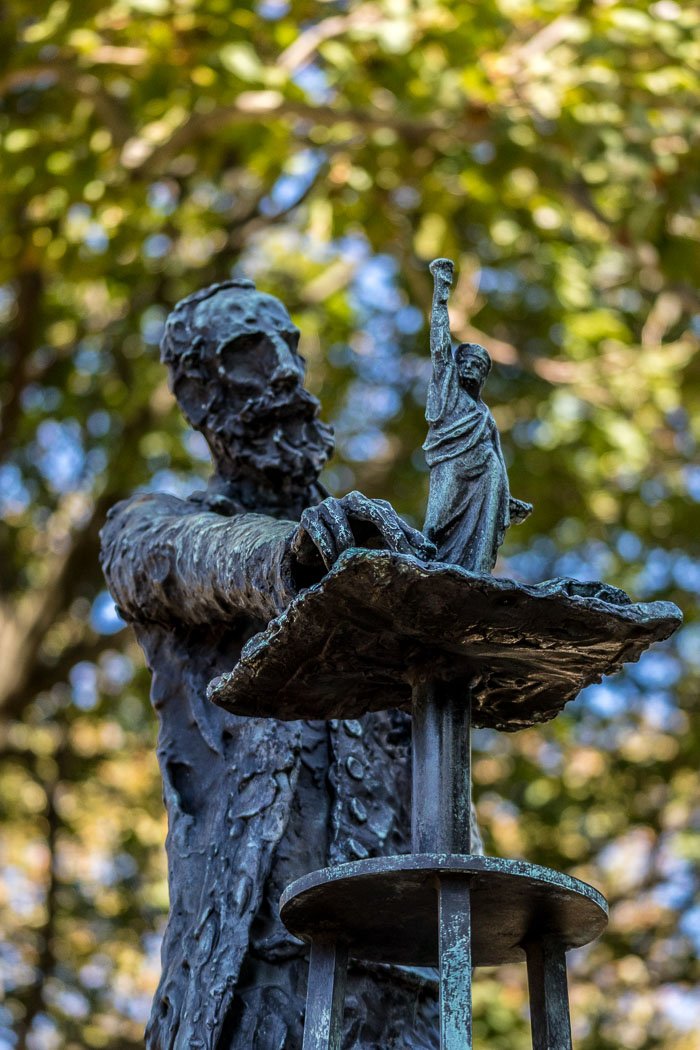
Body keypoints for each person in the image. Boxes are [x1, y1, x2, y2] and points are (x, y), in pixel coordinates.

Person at [100, 278, 440, 1050]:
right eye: (252, 354)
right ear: (199, 395)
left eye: (290, 344)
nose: (286, 370)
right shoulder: (154, 527)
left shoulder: (382, 554)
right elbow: (197, 559)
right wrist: (288, 554)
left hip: (407, 976)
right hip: (258, 974)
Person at [423, 259, 531, 571]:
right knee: (433, 529)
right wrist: (441, 290)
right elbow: (440, 345)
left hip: (488, 472)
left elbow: (497, 452)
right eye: (466, 362)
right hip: (452, 466)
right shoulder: (447, 390)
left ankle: (477, 572)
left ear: (483, 377)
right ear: (456, 368)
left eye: (478, 366)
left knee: (482, 538)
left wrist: (508, 499)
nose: (470, 368)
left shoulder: (485, 414)